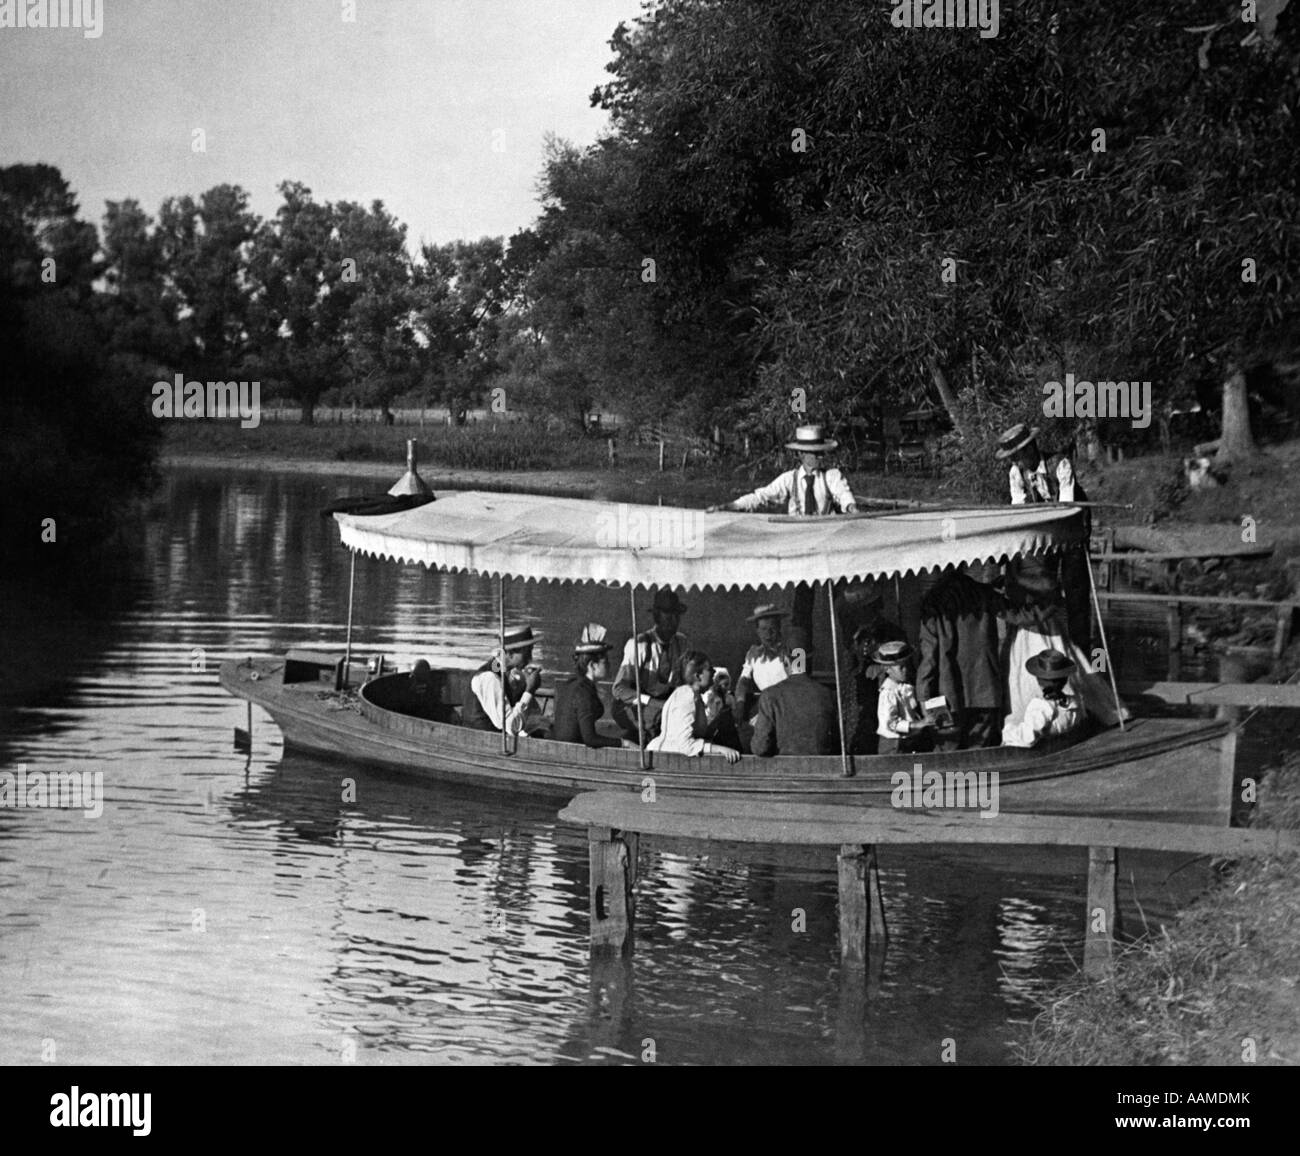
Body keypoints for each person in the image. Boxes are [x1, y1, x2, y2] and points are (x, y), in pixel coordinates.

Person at [707, 424, 859, 638]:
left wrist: (851, 508)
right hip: (801, 548)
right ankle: (801, 664)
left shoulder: (831, 476)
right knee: (801, 609)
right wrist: (730, 506)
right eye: (812, 453)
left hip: (828, 546)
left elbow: (843, 494)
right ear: (801, 454)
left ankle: (853, 658)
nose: (817, 457)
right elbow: (761, 496)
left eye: (819, 452)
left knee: (843, 604)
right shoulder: (790, 479)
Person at [996, 422, 1092, 651]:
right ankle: (1051, 649)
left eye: (1017, 456)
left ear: (1030, 450)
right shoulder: (1016, 472)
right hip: (1045, 530)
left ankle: (1083, 653)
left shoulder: (1061, 464)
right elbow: (1019, 510)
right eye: (1012, 458)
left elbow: (1066, 510)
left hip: (1072, 529)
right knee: (1044, 586)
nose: (1015, 462)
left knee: (1075, 589)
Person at [1001, 564, 1126, 731]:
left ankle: (1058, 715)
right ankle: (1070, 712)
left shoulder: (1037, 589)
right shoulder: (1047, 589)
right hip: (1047, 621)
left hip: (1042, 622)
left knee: (1079, 662)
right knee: (1074, 662)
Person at [916, 562, 1004, 749]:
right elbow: (1016, 614)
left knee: (948, 761)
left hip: (946, 696)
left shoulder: (932, 600)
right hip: (985, 691)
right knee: (979, 758)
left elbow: (929, 656)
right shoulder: (984, 592)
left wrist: (923, 694)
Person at [612, 589, 691, 742]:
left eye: (676, 616)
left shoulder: (682, 643)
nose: (673, 621)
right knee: (661, 716)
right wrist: (653, 703)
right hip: (632, 704)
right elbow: (618, 689)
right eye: (668, 615)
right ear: (657, 616)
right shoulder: (639, 644)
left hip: (664, 701)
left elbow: (685, 681)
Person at [837, 582, 906, 755]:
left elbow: (902, 664)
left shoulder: (889, 631)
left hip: (880, 698)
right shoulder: (855, 634)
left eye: (860, 609)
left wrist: (881, 668)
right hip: (856, 699)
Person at [751, 628, 838, 756]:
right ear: (809, 659)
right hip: (821, 772)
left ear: (784, 658)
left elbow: (760, 748)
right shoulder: (827, 695)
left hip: (784, 773)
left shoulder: (770, 696)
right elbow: (836, 744)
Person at [646, 651, 743, 763]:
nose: (714, 671)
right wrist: (720, 749)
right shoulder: (687, 697)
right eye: (709, 669)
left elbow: (697, 732)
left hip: (673, 757)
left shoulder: (690, 695)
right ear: (698, 676)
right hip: (666, 759)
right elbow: (685, 745)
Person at [462, 625, 546, 737]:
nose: (530, 658)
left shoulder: (508, 673)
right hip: (483, 743)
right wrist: (529, 690)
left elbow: (530, 713)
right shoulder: (489, 678)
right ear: (510, 653)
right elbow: (512, 726)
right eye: (526, 653)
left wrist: (524, 688)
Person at [552, 624, 623, 749]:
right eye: (605, 661)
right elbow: (590, 739)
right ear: (592, 665)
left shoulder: (575, 684)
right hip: (571, 751)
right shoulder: (583, 692)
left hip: (569, 746)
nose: (609, 664)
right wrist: (623, 743)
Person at [1001, 649, 1085, 748]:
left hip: (1045, 752)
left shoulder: (1042, 707)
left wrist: (1008, 732)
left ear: (1039, 681)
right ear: (1065, 680)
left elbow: (1028, 739)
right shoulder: (1074, 703)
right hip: (1064, 748)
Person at [734, 604, 793, 725]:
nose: (768, 634)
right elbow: (743, 681)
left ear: (779, 628)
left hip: (786, 706)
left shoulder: (790, 651)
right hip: (764, 707)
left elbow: (799, 683)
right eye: (763, 629)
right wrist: (740, 703)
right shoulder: (753, 653)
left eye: (772, 628)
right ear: (757, 631)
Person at [874, 640, 933, 755]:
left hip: (908, 740)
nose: (906, 670)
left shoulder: (906, 686)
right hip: (893, 745)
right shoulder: (888, 692)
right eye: (901, 667)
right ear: (887, 669)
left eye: (907, 665)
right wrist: (917, 724)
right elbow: (890, 723)